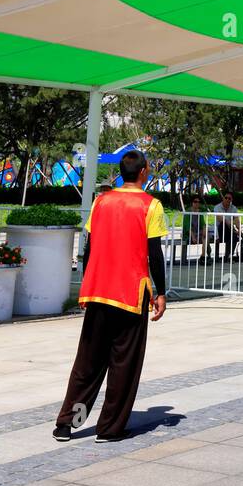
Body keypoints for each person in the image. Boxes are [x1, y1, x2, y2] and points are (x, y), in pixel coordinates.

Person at [53, 149, 167, 443]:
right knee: (123, 363)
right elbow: (154, 253)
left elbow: (89, 247)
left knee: (88, 361)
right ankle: (109, 428)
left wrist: (89, 279)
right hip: (130, 292)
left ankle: (68, 423)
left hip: (99, 290)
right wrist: (162, 292)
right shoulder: (150, 205)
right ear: (143, 173)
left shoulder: (101, 202)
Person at [212, 190, 241, 262]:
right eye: (226, 198)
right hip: (219, 231)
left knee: (235, 237)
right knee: (223, 223)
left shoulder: (233, 208)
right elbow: (220, 219)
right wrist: (230, 223)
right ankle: (225, 257)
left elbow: (237, 220)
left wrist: (239, 229)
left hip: (229, 231)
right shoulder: (217, 207)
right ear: (223, 198)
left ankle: (227, 256)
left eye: (229, 198)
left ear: (231, 200)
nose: (227, 199)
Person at [180, 195, 211, 264]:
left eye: (198, 202)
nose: (197, 203)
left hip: (198, 233)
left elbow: (203, 224)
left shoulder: (199, 212)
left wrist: (204, 232)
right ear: (192, 203)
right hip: (189, 234)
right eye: (195, 202)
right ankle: (206, 256)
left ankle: (203, 256)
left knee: (206, 236)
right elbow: (188, 227)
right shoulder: (187, 212)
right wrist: (193, 236)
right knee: (206, 239)